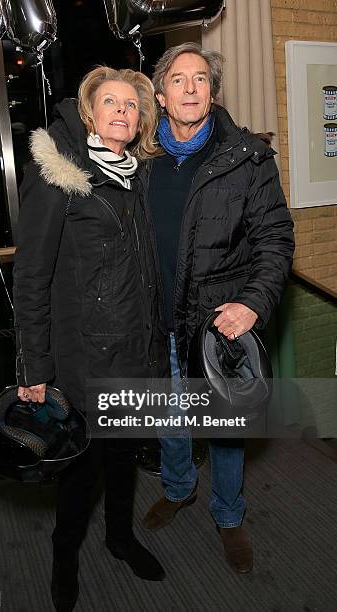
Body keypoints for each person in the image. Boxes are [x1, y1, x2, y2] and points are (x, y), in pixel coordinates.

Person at [12, 66, 170, 611]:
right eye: (111, 101)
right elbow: (31, 274)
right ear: (88, 112)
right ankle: (64, 563)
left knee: (124, 457)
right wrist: (34, 368)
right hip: (84, 360)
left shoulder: (140, 176)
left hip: (135, 352)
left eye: (132, 104)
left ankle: (121, 538)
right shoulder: (61, 172)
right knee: (80, 474)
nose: (123, 110)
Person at [142, 43, 295, 573]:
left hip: (218, 326)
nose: (191, 88)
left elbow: (275, 240)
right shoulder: (135, 160)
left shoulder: (248, 156)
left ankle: (229, 515)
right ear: (160, 97)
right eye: (178, 80)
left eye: (201, 79)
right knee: (170, 417)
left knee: (228, 430)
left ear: (213, 91)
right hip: (155, 322)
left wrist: (252, 305)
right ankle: (179, 487)